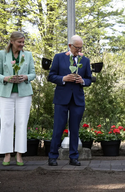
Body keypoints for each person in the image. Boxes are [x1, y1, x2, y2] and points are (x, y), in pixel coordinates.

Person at [48, 35, 92, 166]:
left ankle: (74, 157)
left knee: (75, 129)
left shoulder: (85, 60)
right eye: (76, 48)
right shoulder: (59, 57)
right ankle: (52, 156)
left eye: (80, 48)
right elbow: (51, 76)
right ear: (69, 46)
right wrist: (63, 79)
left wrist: (83, 81)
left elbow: (89, 79)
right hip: (61, 98)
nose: (78, 50)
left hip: (77, 100)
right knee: (58, 128)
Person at [0, 31, 36, 166]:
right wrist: (6, 78)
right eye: (19, 42)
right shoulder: (2, 54)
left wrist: (26, 77)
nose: (22, 45)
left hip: (24, 94)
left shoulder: (28, 55)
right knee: (6, 123)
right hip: (5, 94)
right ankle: (7, 154)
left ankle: (19, 154)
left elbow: (33, 73)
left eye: (23, 42)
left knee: (22, 123)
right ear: (12, 41)